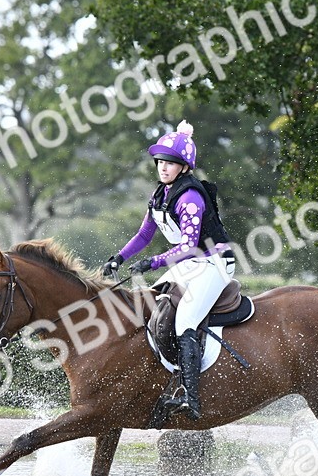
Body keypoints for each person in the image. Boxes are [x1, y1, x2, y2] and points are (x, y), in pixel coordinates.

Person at [101, 120, 236, 420]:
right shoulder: (161, 194)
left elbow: (187, 246)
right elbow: (144, 235)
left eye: (171, 163)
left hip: (214, 262)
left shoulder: (189, 198)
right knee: (151, 306)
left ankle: (191, 397)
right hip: (191, 262)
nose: (163, 168)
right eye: (160, 161)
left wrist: (153, 262)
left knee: (185, 320)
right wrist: (119, 258)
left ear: (184, 167)